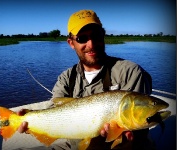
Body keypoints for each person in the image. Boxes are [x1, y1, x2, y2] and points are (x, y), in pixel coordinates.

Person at [18, 9, 154, 150]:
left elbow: (137, 126)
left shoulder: (130, 71)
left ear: (103, 36)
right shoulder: (66, 78)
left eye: (96, 36)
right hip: (75, 146)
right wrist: (31, 123)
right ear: (71, 43)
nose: (91, 44)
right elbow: (54, 112)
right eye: (82, 38)